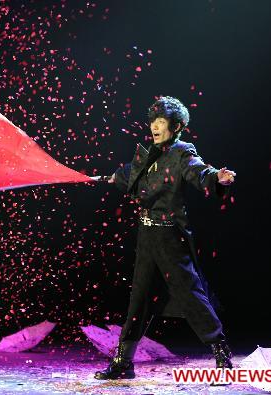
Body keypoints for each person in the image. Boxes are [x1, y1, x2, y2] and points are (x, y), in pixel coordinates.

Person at [94, 96, 236, 380]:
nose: (155, 127)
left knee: (190, 293)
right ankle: (123, 363)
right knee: (139, 298)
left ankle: (220, 350)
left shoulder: (183, 152)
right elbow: (129, 176)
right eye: (152, 121)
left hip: (170, 236)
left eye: (161, 122)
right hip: (147, 236)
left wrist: (216, 177)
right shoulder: (149, 154)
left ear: (176, 126)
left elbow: (199, 171)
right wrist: (107, 178)